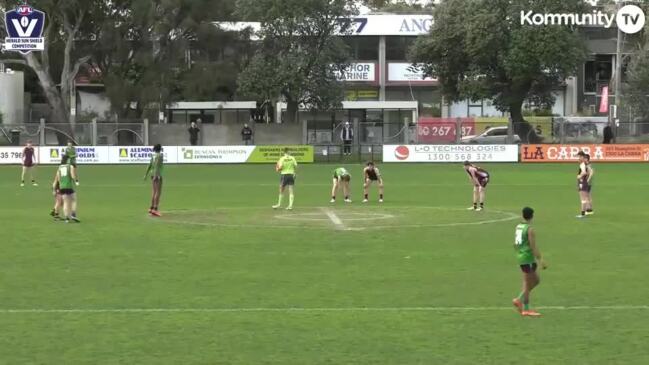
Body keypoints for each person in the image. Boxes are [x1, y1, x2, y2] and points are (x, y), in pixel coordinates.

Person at [512, 207, 547, 317]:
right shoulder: (530, 229)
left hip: (521, 256)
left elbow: (516, 243)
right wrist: (541, 259)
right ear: (532, 216)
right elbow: (533, 247)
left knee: (535, 281)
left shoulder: (518, 227)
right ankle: (525, 308)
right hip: (527, 258)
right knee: (527, 283)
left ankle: (520, 299)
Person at [52, 155, 80, 223]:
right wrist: (76, 181)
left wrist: (55, 189)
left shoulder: (59, 167)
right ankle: (73, 214)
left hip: (62, 187)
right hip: (68, 186)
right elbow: (73, 175)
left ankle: (67, 218)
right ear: (67, 160)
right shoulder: (70, 166)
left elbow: (58, 178)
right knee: (74, 200)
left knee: (65, 202)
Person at [144, 144, 164, 217]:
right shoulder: (160, 156)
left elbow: (149, 165)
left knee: (153, 191)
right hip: (157, 175)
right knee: (158, 192)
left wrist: (146, 174)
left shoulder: (153, 155)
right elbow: (157, 166)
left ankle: (151, 207)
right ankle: (155, 209)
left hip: (152, 174)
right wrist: (156, 175)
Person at [576, 152, 595, 218]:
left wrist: (579, 176)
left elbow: (585, 172)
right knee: (586, 197)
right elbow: (590, 171)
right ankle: (587, 211)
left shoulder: (583, 164)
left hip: (582, 182)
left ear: (582, 157)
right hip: (584, 182)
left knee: (583, 198)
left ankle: (583, 213)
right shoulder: (586, 164)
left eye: (579, 157)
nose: (578, 158)